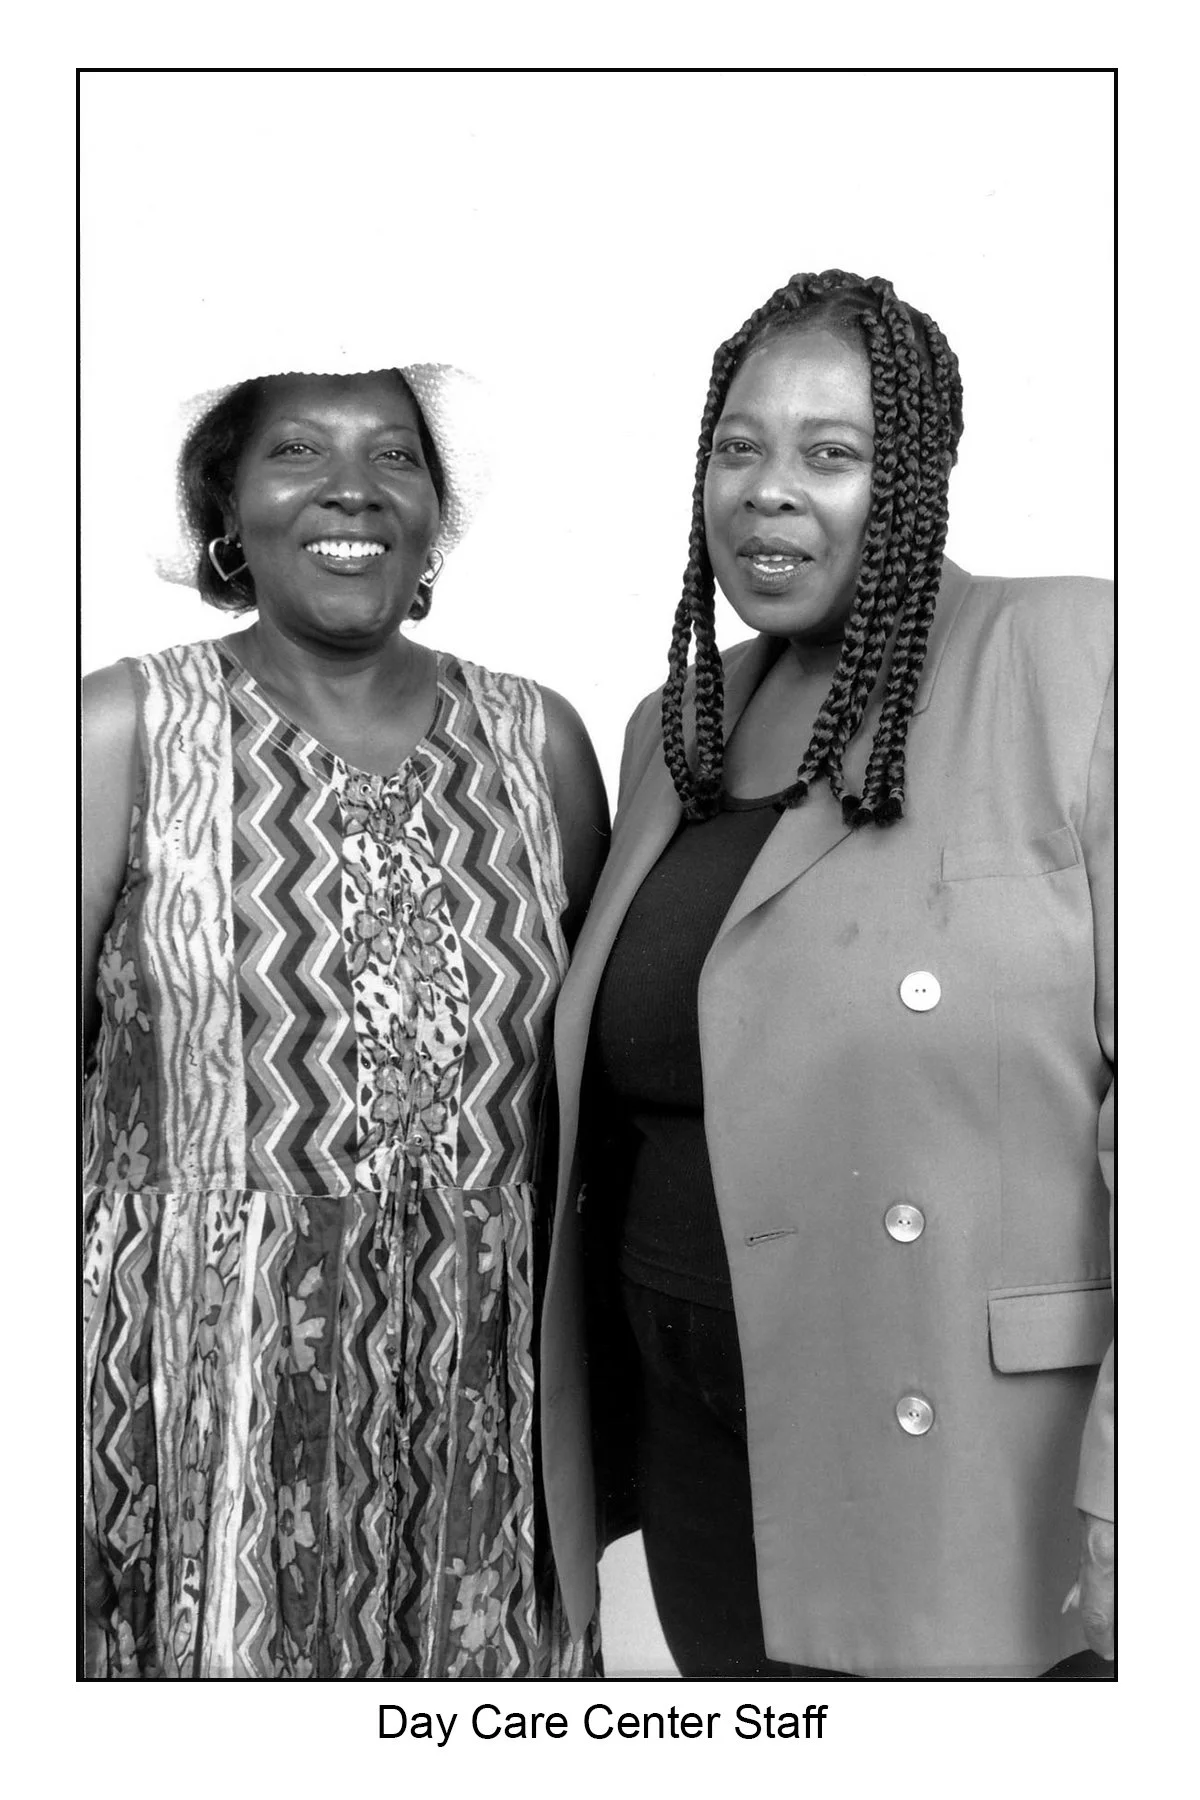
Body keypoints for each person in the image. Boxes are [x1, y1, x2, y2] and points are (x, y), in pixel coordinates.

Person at [539, 271, 1113, 1679]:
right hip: (702, 1438)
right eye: (737, 447)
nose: (768, 491)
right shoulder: (673, 727)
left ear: (913, 482)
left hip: (965, 1442)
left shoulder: (1077, 659)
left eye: (831, 452)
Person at [82, 356, 609, 1678]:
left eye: (395, 455)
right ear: (225, 513)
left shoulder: (538, 744)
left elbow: (588, 1107)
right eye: (297, 451)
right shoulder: (124, 730)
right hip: (186, 1401)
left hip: (483, 1402)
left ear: (434, 517)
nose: (352, 488)